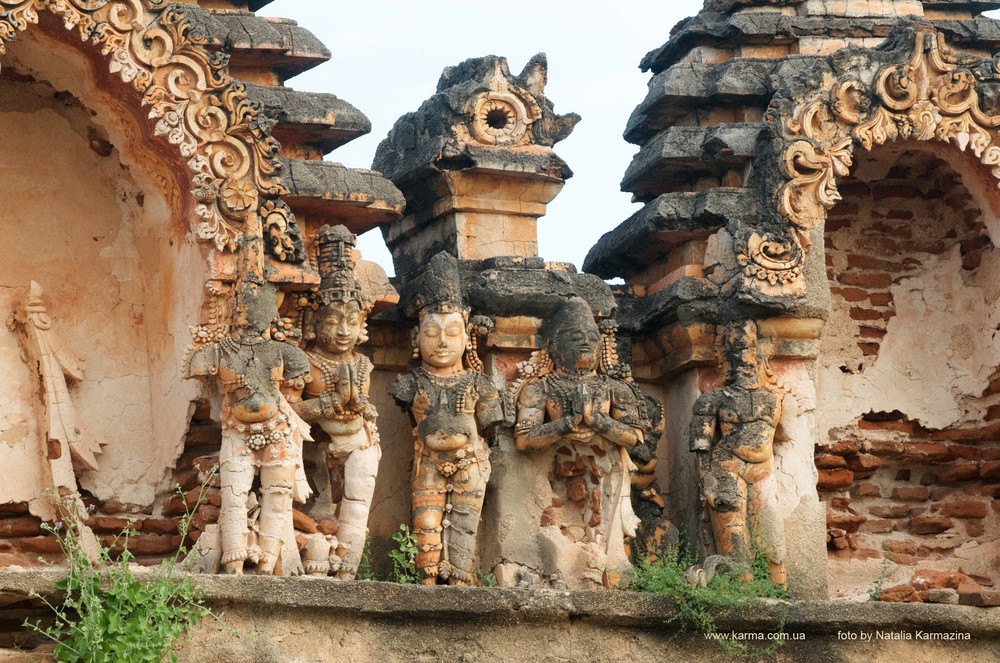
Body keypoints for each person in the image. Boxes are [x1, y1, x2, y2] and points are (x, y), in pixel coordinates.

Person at [513, 296, 644, 586]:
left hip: (603, 471)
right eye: (575, 337)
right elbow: (523, 440)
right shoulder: (540, 388)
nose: (585, 343)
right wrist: (564, 424)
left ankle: (603, 566)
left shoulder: (613, 388)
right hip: (557, 473)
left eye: (590, 337)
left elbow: (634, 437)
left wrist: (598, 421)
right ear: (554, 346)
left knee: (599, 532)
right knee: (557, 533)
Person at [389, 252, 503, 585]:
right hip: (427, 461)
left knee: (465, 527)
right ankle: (425, 583)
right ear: (416, 338)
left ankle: (461, 583)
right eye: (431, 333)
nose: (441, 342)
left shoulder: (479, 384)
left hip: (470, 461)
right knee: (425, 525)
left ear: (468, 338)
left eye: (452, 332)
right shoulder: (407, 384)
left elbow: (492, 425)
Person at [184, 279, 311, 575]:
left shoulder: (285, 352)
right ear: (233, 310)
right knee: (234, 495)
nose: (253, 314)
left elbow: (300, 381)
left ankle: (267, 564)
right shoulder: (218, 351)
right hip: (237, 432)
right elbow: (195, 367)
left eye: (263, 306)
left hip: (279, 429)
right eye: (245, 306)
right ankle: (234, 562)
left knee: (278, 496)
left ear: (273, 313)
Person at [291, 225, 380, 580]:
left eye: (351, 320)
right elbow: (292, 411)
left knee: (357, 504)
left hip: (358, 444)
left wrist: (361, 406)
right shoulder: (305, 362)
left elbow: (366, 407)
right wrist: (325, 405)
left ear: (362, 326)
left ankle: (349, 566)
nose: (343, 330)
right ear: (313, 324)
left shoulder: (363, 364)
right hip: (313, 452)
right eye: (332, 320)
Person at [689, 320, 787, 586]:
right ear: (725, 356)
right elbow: (701, 447)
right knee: (736, 548)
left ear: (759, 353)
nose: (744, 355)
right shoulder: (713, 399)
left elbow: (781, 437)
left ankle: (780, 597)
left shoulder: (775, 398)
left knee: (774, 543)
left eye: (750, 347)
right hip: (726, 469)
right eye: (736, 348)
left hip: (763, 471)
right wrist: (708, 482)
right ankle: (743, 597)